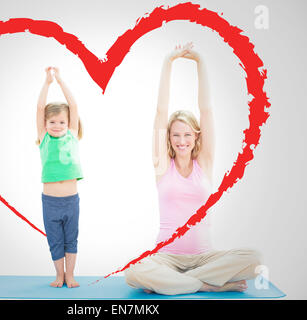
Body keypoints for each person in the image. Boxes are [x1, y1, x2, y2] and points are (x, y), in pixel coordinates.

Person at [124, 42, 263, 295]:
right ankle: (207, 285)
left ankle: (174, 284)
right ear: (169, 138)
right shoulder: (162, 165)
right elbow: (160, 111)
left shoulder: (205, 163)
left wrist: (200, 61)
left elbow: (206, 110)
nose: (181, 141)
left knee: (255, 258)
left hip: (204, 258)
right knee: (134, 271)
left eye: (187, 134)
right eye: (176, 135)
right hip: (165, 257)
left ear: (196, 136)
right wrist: (168, 61)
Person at [36, 66, 83, 288]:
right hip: (51, 202)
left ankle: (70, 275)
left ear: (69, 123)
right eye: (52, 122)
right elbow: (38, 108)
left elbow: (73, 106)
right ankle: (59, 275)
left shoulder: (72, 136)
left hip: (71, 200)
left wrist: (61, 80)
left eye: (61, 122)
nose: (57, 126)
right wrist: (47, 83)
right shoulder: (44, 138)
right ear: (45, 124)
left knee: (70, 239)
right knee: (54, 240)